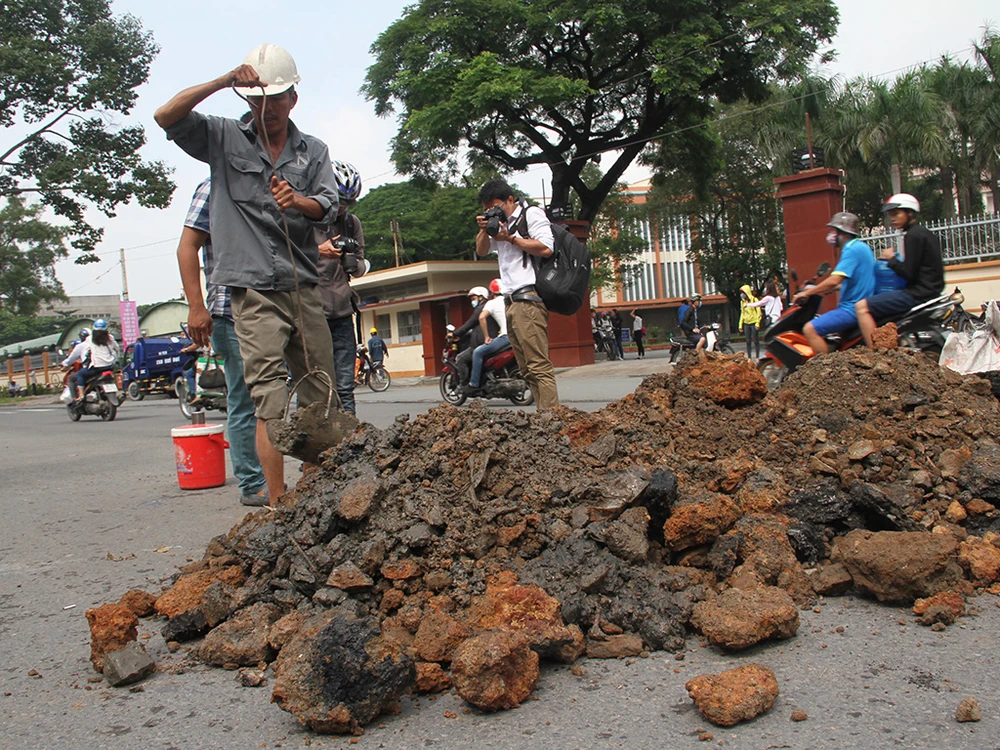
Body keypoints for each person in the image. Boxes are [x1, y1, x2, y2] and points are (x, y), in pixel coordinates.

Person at [155, 43, 340, 505]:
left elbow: (328, 205)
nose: (267, 108)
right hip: (253, 292)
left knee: (321, 393)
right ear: (246, 98)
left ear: (292, 99)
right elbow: (166, 116)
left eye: (275, 98)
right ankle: (277, 504)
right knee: (269, 403)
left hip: (302, 287)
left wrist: (297, 201)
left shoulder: (312, 151)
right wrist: (221, 81)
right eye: (257, 98)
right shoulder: (222, 139)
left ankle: (320, 497)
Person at [176, 177, 268, 506]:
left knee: (273, 399)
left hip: (272, 309)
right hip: (229, 311)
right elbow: (187, 247)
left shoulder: (272, 185)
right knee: (246, 400)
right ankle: (253, 483)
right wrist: (196, 307)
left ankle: (274, 477)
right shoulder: (212, 188)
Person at [475, 179, 559, 409]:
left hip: (529, 298)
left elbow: (546, 247)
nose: (493, 212)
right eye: (487, 209)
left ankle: (552, 421)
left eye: (496, 207)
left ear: (510, 200)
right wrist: (484, 230)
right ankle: (545, 418)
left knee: (538, 366)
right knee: (526, 370)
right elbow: (481, 251)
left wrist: (510, 238)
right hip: (510, 301)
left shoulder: (531, 215)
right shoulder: (496, 225)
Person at [855, 193, 945, 349]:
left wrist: (891, 259)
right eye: (891, 215)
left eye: (896, 214)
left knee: (861, 307)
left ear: (909, 213)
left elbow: (909, 272)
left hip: (918, 293)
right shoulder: (923, 233)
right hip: (930, 290)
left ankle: (875, 354)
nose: (893, 219)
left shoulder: (913, 236)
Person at [318, 160, 368, 416]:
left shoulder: (352, 223)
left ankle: (349, 442)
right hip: (313, 311)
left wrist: (353, 264)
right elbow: (286, 256)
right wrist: (320, 250)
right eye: (338, 202)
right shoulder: (308, 217)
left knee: (345, 386)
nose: (342, 209)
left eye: (348, 204)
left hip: (341, 310)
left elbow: (361, 265)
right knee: (316, 386)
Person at [791, 212, 876, 355]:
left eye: (832, 231)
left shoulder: (851, 249)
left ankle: (826, 370)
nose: (830, 235)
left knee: (809, 329)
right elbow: (855, 281)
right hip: (861, 303)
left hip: (851, 309)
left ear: (842, 233)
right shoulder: (862, 247)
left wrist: (807, 293)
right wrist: (829, 289)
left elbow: (835, 279)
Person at [466, 279, 509, 395]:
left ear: (491, 293)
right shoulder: (510, 300)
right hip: (518, 335)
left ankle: (474, 384)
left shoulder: (491, 303)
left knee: (478, 352)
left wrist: (486, 337)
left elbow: (481, 318)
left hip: (507, 337)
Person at [451, 287, 496, 385]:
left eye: (473, 298)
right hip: (493, 341)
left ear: (481, 297)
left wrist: (454, 334)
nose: (472, 301)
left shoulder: (481, 309)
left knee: (461, 358)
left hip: (482, 344)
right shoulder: (490, 307)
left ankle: (465, 385)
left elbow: (468, 324)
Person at [74, 320, 119, 400]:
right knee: (111, 378)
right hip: (109, 366)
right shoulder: (110, 337)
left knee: (80, 374)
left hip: (97, 367)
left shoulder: (89, 339)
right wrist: (115, 359)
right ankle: (117, 393)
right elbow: (117, 348)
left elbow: (86, 352)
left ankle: (81, 395)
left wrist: (85, 362)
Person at [738, 284, 763, 359]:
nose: (742, 295)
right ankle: (749, 357)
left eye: (743, 292)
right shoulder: (742, 302)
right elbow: (742, 313)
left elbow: (759, 312)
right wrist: (740, 325)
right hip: (746, 323)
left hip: (754, 322)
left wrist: (758, 323)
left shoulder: (754, 300)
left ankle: (757, 357)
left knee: (756, 340)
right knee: (748, 341)